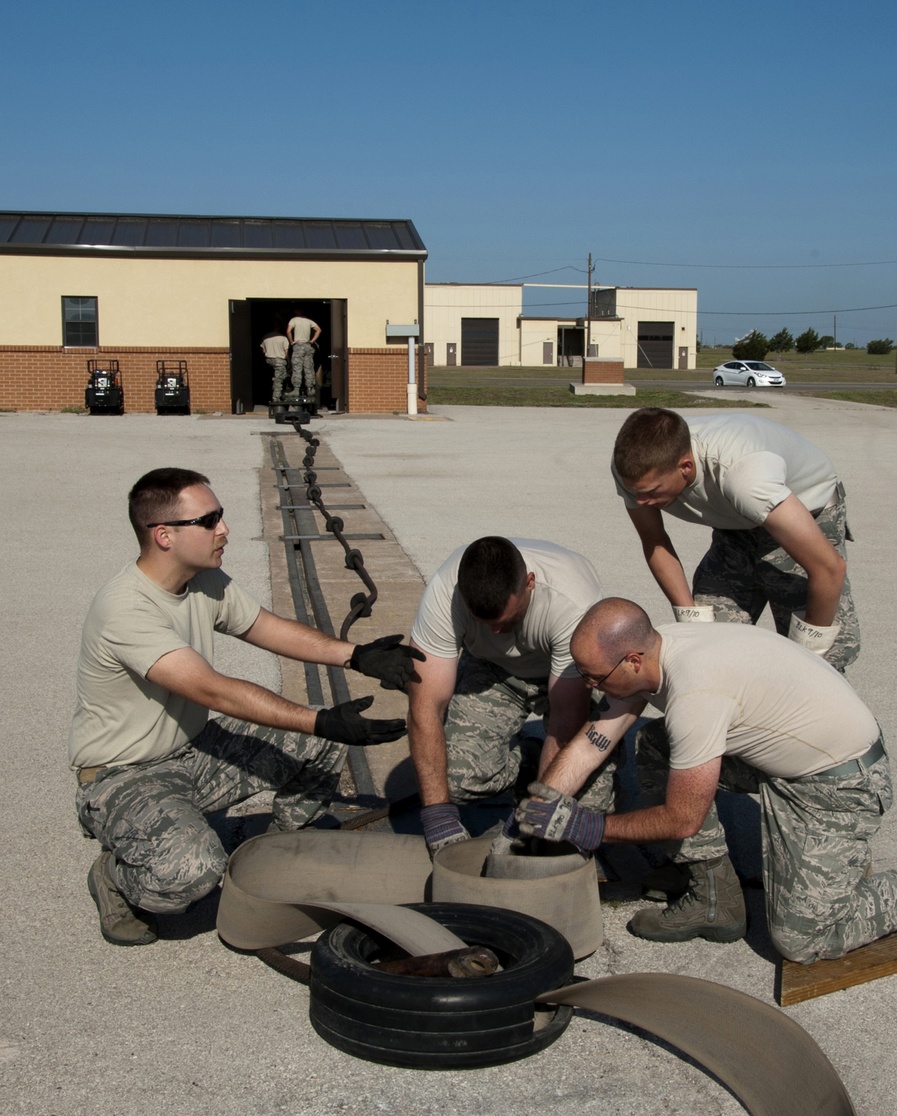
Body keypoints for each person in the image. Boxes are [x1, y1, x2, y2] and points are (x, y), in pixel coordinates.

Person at [513, 598, 897, 965]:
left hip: (839, 785)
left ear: (632, 661)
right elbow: (597, 736)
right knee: (654, 743)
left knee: (804, 939)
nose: (589, 685)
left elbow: (682, 818)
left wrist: (589, 828)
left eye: (594, 677)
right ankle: (713, 899)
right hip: (791, 753)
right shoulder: (656, 646)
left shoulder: (696, 693)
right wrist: (546, 799)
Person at [71, 467, 422, 947]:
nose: (224, 529)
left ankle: (280, 855)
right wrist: (321, 719)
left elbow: (265, 627)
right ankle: (115, 875)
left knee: (316, 747)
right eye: (209, 519)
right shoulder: (126, 610)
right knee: (192, 871)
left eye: (221, 516)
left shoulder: (204, 579)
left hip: (193, 750)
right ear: (164, 535)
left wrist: (355, 655)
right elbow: (215, 691)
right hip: (123, 774)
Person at [407, 536, 618, 856]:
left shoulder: (571, 602)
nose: (495, 633)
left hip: (564, 673)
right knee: (456, 779)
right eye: (483, 622)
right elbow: (425, 706)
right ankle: (529, 758)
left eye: (506, 622)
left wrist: (537, 813)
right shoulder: (444, 592)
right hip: (494, 671)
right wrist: (437, 814)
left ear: (530, 583)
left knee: (578, 810)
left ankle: (548, 774)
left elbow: (565, 719)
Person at [612, 407, 859, 671]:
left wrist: (811, 658)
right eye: (634, 492)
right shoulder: (634, 471)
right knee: (707, 649)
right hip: (737, 525)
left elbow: (828, 568)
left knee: (818, 662)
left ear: (685, 467)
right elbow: (654, 541)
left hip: (805, 515)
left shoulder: (745, 477)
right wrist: (691, 619)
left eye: (650, 492)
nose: (640, 502)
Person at [286, 306, 321, 400]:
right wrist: (312, 341)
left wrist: (291, 341)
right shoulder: (308, 321)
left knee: (297, 368)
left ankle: (296, 389)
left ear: (295, 311)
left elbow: (288, 331)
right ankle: (310, 389)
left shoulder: (293, 320)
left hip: (298, 345)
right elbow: (318, 329)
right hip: (307, 346)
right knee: (308, 368)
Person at [261, 320, 290, 403]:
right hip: (279, 361)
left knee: (273, 379)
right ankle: (276, 398)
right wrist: (288, 362)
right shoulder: (283, 338)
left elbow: (263, 351)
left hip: (269, 360)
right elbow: (286, 352)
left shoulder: (266, 337)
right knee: (279, 380)